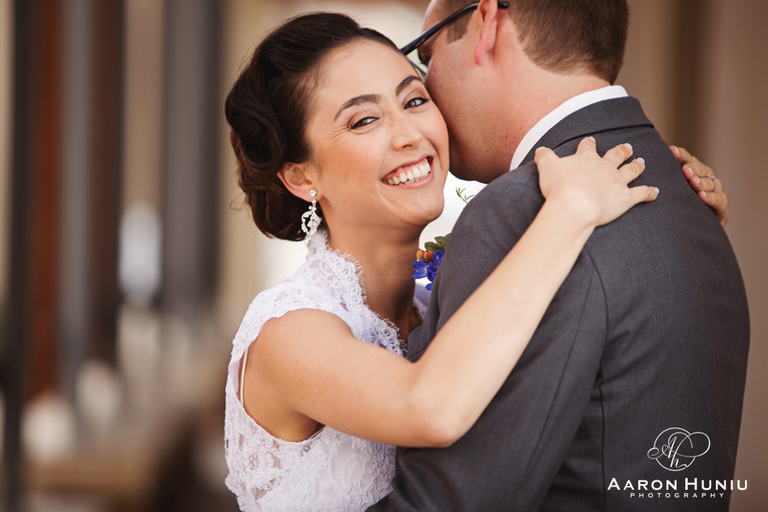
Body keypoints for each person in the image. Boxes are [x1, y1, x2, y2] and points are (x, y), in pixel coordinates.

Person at [222, 12, 731, 512]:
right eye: (364, 119)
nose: (409, 134)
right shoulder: (285, 330)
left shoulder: (439, 296)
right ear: (300, 177)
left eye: (415, 98)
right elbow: (430, 408)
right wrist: (570, 212)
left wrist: (661, 226)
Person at [369, 1, 749, 511]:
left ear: (486, 23)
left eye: (427, 53)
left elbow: (452, 501)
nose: (427, 90)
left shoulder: (523, 210)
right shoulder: (689, 196)